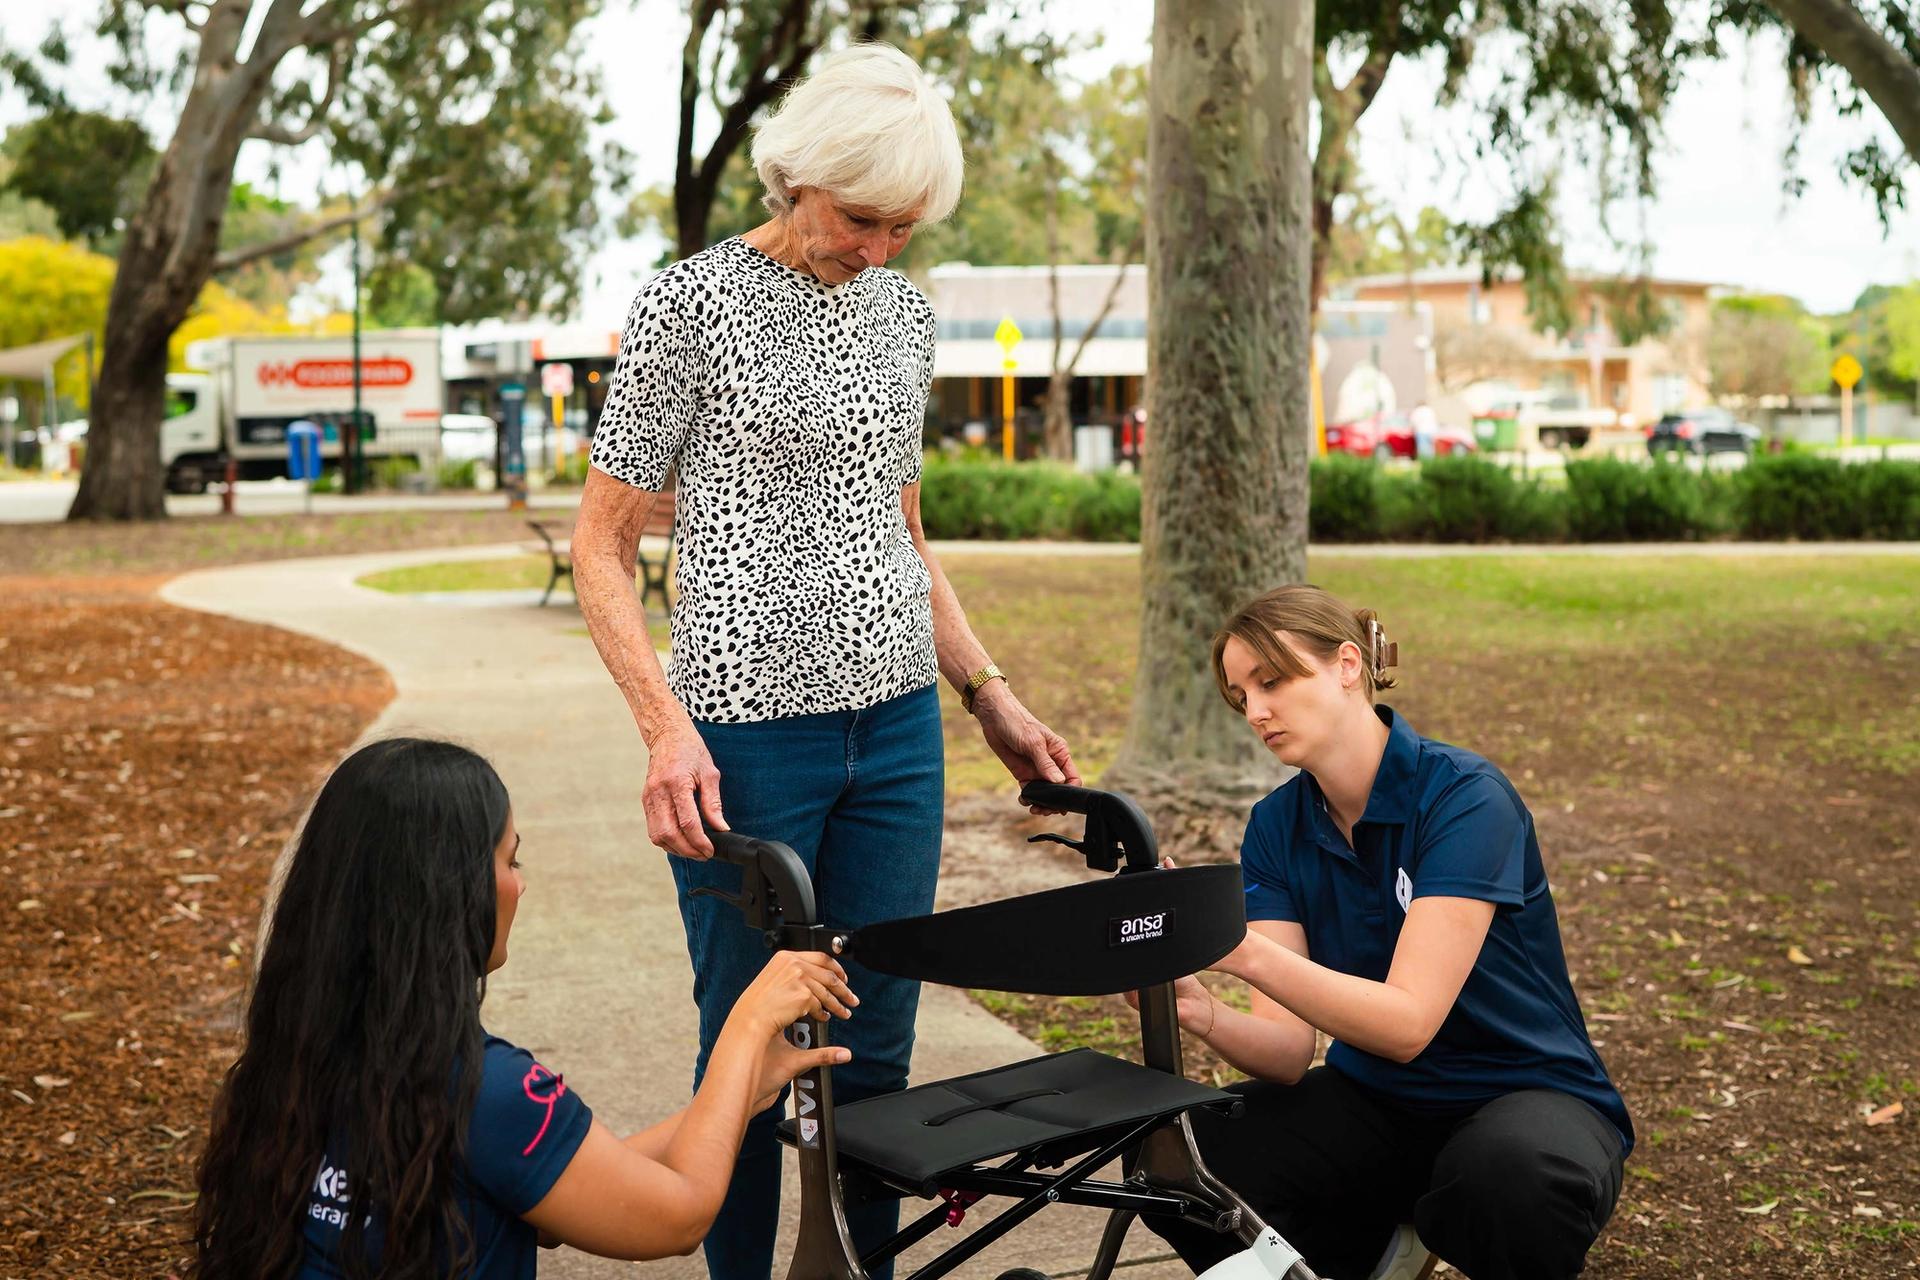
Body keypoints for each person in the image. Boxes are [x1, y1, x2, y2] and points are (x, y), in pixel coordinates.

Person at [569, 41, 1080, 1280]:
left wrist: (986, 690)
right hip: (748, 733)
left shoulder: (904, 315)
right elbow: (604, 539)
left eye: (906, 228)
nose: (880, 249)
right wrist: (664, 726)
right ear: (797, 178)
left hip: (899, 726)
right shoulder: (689, 301)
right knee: (751, 1046)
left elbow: (899, 527)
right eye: (862, 218)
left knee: (878, 1043)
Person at [191, 738, 858, 1279]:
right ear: (446, 894)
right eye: (511, 860)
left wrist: (742, 1093)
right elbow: (679, 1219)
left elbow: (554, 1187)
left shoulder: (287, 1071)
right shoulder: (488, 1092)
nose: (521, 883)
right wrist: (745, 1025)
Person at [1143, 585, 1631, 1280]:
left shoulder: (1462, 796)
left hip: (1525, 1097)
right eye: (1240, 694)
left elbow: (1408, 1023)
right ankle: (1365, 1257)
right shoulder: (1277, 826)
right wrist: (1196, 1007)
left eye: (1273, 681)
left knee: (1507, 1178)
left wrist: (1239, 949)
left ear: (1347, 665)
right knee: (1177, 1157)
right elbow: (1286, 1053)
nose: (1255, 711)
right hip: (1378, 1106)